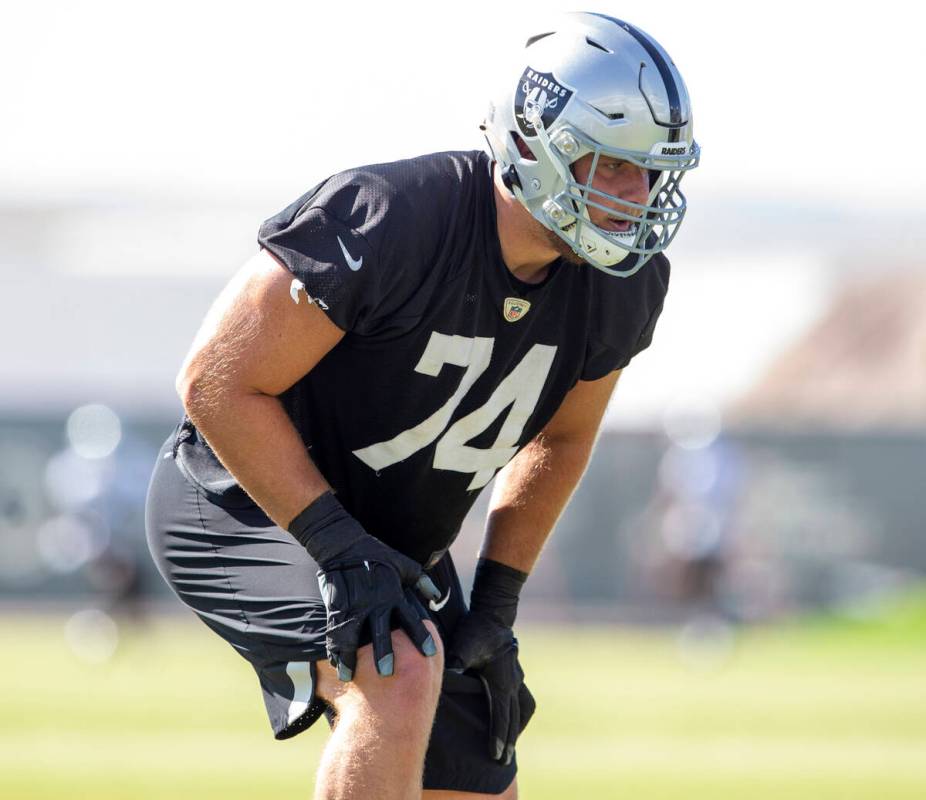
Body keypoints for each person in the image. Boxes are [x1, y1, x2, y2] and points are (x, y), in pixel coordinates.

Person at [145, 11, 698, 799]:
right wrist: (337, 546)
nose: (636, 196)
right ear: (541, 144)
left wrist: (498, 603)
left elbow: (561, 441)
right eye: (612, 165)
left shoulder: (622, 284)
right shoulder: (393, 217)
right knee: (396, 676)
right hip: (245, 499)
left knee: (478, 778)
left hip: (393, 538)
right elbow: (215, 383)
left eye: (650, 172)